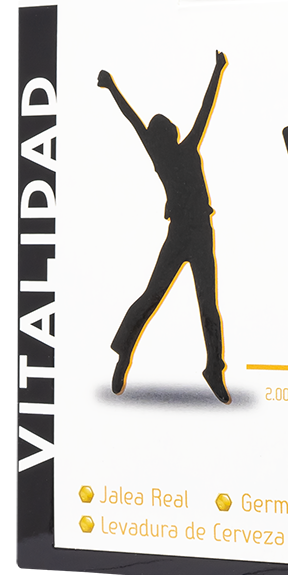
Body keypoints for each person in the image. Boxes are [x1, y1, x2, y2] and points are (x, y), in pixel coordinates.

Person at [97, 51, 230, 403]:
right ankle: (126, 354)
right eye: (167, 125)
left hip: (196, 233)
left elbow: (135, 119)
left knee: (196, 302)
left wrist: (112, 87)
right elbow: (200, 109)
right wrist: (217, 70)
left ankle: (213, 368)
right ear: (167, 134)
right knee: (175, 298)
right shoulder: (177, 151)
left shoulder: (170, 153)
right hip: (189, 232)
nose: (173, 126)